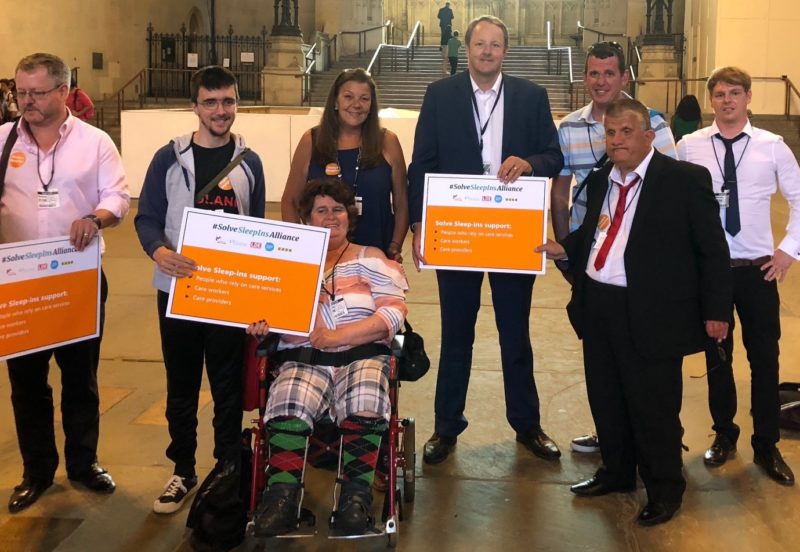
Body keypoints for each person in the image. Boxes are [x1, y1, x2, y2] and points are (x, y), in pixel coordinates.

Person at [537, 98, 732, 526]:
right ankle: (617, 472)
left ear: (648, 136)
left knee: (653, 406)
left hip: (651, 310)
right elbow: (594, 230)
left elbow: (713, 251)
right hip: (600, 304)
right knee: (606, 397)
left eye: (626, 132)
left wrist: (717, 310)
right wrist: (564, 247)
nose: (617, 140)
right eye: (610, 133)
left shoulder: (683, 179)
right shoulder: (604, 176)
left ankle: (665, 487)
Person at [408, 15, 564, 465]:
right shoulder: (440, 95)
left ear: (505, 51)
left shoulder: (531, 98)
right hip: (458, 234)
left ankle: (527, 425)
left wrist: (529, 163)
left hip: (511, 235)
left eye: (496, 45)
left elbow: (554, 156)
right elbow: (422, 163)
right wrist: (421, 224)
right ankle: (446, 427)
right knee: (456, 334)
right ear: (467, 48)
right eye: (480, 44)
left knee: (515, 333)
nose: (487, 51)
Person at [1, 52, 129, 513]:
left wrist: (95, 218)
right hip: (19, 286)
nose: (25, 101)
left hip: (78, 280)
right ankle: (36, 471)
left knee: (81, 379)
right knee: (27, 384)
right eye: (20, 92)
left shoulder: (95, 143)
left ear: (63, 91)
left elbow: (118, 195)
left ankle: (84, 463)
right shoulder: (1, 141)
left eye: (36, 92)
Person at [134, 65, 266, 514]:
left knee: (228, 386)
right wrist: (158, 251)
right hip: (177, 291)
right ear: (195, 107)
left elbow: (258, 231)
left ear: (236, 104)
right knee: (182, 383)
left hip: (228, 295)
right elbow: (146, 216)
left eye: (227, 101)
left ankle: (226, 468)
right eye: (210, 102)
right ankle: (183, 470)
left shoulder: (249, 164)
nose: (220, 110)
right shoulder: (167, 159)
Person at [248, 178, 408, 537]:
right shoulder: (289, 264)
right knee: (289, 399)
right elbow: (269, 313)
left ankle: (354, 499)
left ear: (350, 217)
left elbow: (395, 313)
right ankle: (282, 499)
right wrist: (262, 323)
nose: (331, 216)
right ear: (306, 219)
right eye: (321, 210)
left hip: (362, 353)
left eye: (338, 209)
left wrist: (337, 336)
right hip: (305, 356)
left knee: (365, 397)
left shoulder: (372, 257)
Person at [551, 40, 677, 455]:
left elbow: (666, 189)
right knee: (601, 355)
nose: (601, 81)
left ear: (625, 77)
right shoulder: (569, 127)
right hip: (590, 256)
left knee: (645, 354)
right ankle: (612, 436)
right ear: (585, 77)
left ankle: (656, 440)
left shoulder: (653, 123)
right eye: (593, 73)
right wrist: (567, 250)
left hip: (638, 261)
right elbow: (561, 190)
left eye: (609, 73)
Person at [677, 66, 800, 486]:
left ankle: (766, 444)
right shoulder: (689, 146)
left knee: (765, 359)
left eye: (735, 93)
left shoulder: (773, 147)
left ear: (748, 98)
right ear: (711, 100)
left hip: (758, 272)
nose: (727, 100)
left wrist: (787, 252)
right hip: (710, 275)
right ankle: (724, 434)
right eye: (720, 94)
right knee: (717, 358)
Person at [281, 68, 408, 261]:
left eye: (364, 98)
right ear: (335, 101)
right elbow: (290, 201)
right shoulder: (311, 140)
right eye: (348, 96)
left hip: (375, 256)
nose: (356, 105)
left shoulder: (388, 142)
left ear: (372, 104)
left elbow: (402, 203)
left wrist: (395, 246)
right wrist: (301, 245)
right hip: (323, 258)